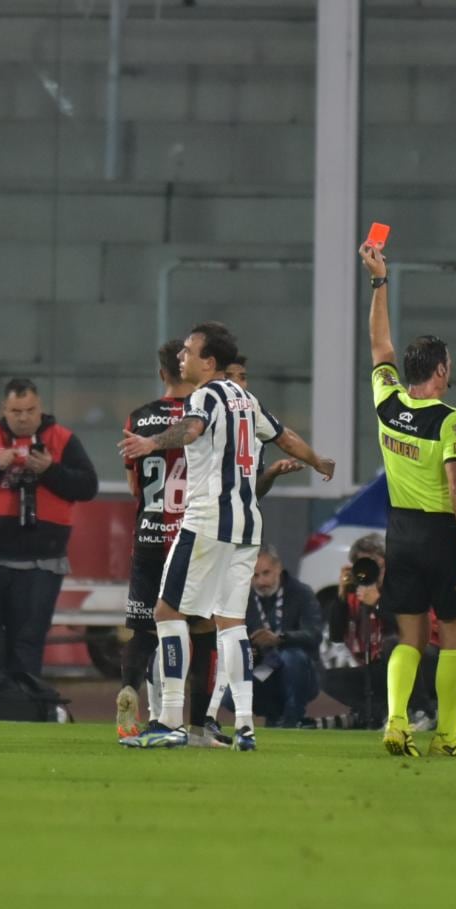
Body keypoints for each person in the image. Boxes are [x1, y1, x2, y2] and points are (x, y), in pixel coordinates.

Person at [117, 321, 335, 751]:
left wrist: (151, 443)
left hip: (205, 521)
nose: (182, 358)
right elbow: (284, 436)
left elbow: (191, 430)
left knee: (166, 613)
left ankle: (169, 721)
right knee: (231, 626)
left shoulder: (206, 395)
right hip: (247, 526)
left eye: (189, 352)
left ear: (209, 361)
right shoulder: (245, 398)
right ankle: (246, 728)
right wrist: (317, 460)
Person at [359, 242, 456, 759]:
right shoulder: (452, 419)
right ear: (438, 370)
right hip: (441, 535)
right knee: (455, 637)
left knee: (409, 637)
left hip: (400, 534)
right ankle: (448, 736)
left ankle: (395, 722)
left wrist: (378, 282)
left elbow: (378, 347)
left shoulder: (388, 401)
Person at [114, 339, 224, 743]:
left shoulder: (138, 418)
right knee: (201, 630)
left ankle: (129, 690)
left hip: (148, 533)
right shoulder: (203, 415)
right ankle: (196, 725)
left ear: (162, 373)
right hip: (191, 537)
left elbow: (134, 486)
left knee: (143, 630)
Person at [0, 378, 98, 676]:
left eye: (29, 410)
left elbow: (87, 486)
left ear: (40, 408)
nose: (23, 417)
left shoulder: (63, 440)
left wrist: (50, 470)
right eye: (16, 411)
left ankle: (24, 708)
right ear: (4, 409)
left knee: (28, 641)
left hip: (41, 564)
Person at [323, 534, 439, 728]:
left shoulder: (406, 585)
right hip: (383, 666)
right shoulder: (360, 591)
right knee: (329, 679)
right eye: (364, 564)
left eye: (376, 564)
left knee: (393, 645)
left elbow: (413, 633)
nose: (372, 570)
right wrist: (342, 597)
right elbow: (336, 636)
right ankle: (381, 712)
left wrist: (378, 603)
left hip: (424, 659)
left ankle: (423, 711)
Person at [244, 546, 324, 727]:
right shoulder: (244, 597)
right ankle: (272, 717)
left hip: (301, 671)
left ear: (279, 568)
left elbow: (314, 634)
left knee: (292, 657)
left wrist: (281, 638)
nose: (261, 582)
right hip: (262, 667)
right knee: (231, 692)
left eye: (266, 573)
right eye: (255, 576)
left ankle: (292, 719)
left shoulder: (302, 593)